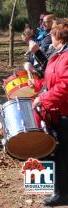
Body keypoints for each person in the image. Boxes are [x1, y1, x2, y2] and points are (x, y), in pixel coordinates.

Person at [31, 22, 68, 206]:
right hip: (56, 111)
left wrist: (44, 99)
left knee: (62, 154)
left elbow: (65, 86)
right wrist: (37, 86)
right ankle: (57, 189)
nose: (49, 38)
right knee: (56, 152)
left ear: (59, 38)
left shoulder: (67, 56)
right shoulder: (59, 54)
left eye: (52, 35)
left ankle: (62, 194)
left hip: (65, 112)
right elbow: (51, 82)